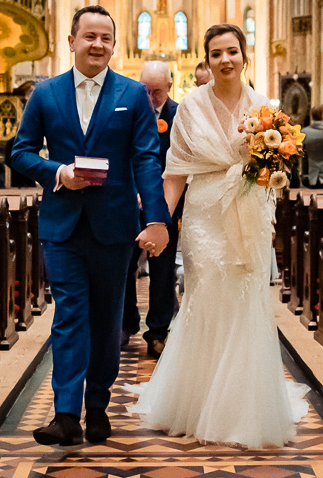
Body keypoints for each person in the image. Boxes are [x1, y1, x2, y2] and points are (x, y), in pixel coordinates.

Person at [128, 23, 310, 447]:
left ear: (244, 56)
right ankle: (199, 399)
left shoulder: (265, 108)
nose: (225, 59)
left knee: (246, 302)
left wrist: (267, 215)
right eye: (216, 53)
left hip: (247, 215)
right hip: (204, 219)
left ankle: (243, 403)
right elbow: (173, 174)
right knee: (205, 299)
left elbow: (272, 176)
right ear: (206, 61)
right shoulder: (190, 107)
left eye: (232, 51)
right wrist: (158, 221)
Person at [10, 6, 170, 447]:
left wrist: (156, 218)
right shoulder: (46, 93)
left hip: (114, 225)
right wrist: (58, 172)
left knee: (105, 320)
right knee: (69, 317)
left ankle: (97, 405)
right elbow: (21, 152)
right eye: (89, 36)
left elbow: (145, 159)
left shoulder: (133, 94)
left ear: (114, 45)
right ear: (72, 41)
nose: (97, 44)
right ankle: (65, 415)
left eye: (105, 38)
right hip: (62, 225)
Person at [123, 60, 180, 357]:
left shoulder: (180, 115)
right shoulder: (128, 110)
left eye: (157, 91)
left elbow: (182, 163)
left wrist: (156, 194)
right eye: (146, 89)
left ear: (169, 88)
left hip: (165, 205)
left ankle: (157, 331)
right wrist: (134, 190)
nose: (151, 97)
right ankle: (126, 322)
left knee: (162, 268)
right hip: (130, 202)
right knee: (125, 264)